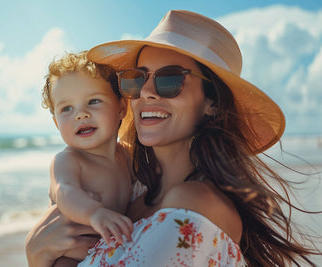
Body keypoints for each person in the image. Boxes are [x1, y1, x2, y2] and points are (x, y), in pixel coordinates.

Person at [26, 10, 321, 267]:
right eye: (137, 79)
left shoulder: (193, 204)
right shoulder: (134, 192)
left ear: (212, 103)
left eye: (169, 79)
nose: (146, 92)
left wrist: (37, 258)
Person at [40, 51, 146, 265]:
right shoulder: (68, 160)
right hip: (70, 256)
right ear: (56, 123)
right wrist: (94, 213)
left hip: (109, 252)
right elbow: (65, 192)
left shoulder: (125, 155)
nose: (81, 114)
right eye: (67, 108)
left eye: (93, 101)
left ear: (121, 108)